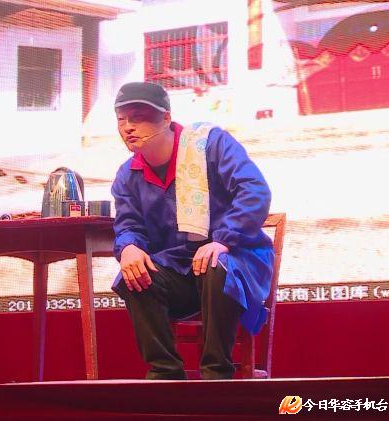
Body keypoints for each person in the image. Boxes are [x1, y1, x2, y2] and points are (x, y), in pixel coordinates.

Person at [110, 82, 274, 380]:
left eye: (139, 117)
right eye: (122, 119)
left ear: (166, 118)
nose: (128, 127)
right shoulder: (127, 174)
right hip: (180, 270)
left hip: (235, 261)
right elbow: (128, 224)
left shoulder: (210, 144)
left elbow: (254, 191)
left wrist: (223, 239)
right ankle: (165, 374)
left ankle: (216, 374)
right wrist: (129, 247)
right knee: (133, 275)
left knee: (214, 264)